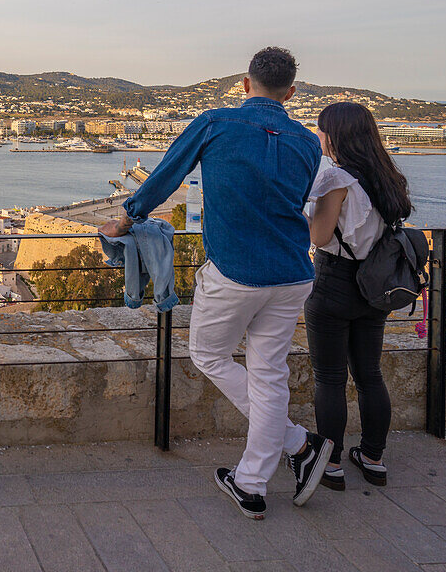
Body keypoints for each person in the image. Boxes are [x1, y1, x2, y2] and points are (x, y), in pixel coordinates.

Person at [101, 47, 333, 520]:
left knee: (208, 354)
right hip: (293, 273)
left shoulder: (216, 123)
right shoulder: (308, 143)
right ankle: (260, 474)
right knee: (269, 374)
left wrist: (129, 217)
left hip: (237, 270)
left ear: (245, 84)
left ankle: (295, 444)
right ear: (291, 93)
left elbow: (166, 173)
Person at [305, 101, 412, 489]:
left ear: (335, 134)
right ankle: (373, 458)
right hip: (374, 284)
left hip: (334, 282)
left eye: (320, 129)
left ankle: (330, 464)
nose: (317, 135)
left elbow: (319, 236)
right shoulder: (387, 176)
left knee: (330, 378)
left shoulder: (336, 179)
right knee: (369, 374)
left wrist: (301, 214)